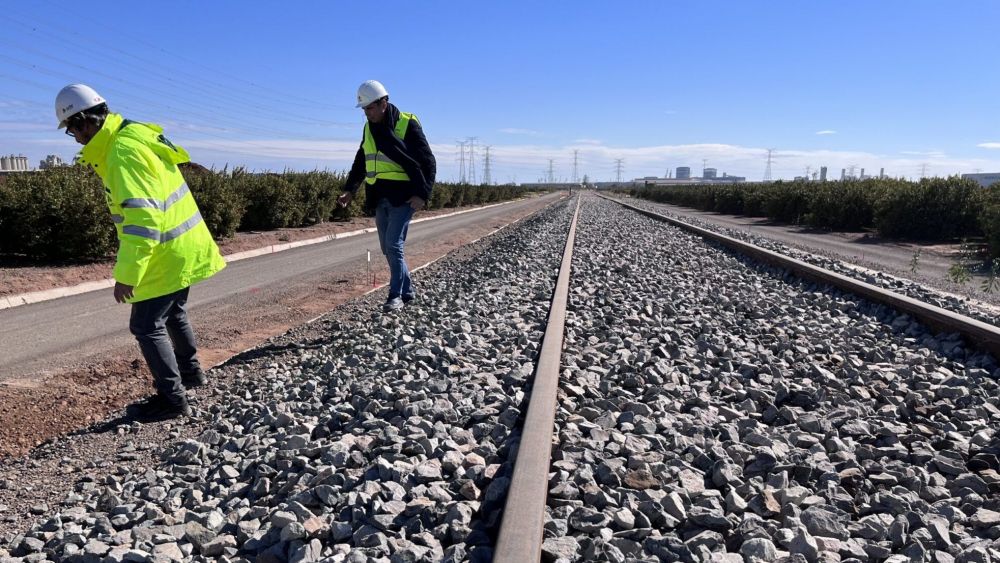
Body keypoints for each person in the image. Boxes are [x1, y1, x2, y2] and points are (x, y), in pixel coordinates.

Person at [55, 84, 226, 420]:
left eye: (73, 129)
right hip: (183, 245)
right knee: (173, 312)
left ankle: (172, 400)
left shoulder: (121, 153)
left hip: (164, 250)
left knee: (146, 324)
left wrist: (127, 275)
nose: (74, 137)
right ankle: (191, 375)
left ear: (87, 121)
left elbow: (141, 222)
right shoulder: (133, 136)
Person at [337, 80, 436, 312]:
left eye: (369, 108)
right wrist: (350, 189)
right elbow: (361, 160)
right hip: (378, 196)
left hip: (404, 197)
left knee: (394, 244)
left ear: (384, 103)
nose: (366, 113)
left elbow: (428, 162)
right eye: (363, 109)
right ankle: (408, 291)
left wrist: (423, 194)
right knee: (387, 247)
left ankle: (395, 296)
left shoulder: (406, 124)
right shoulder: (368, 128)